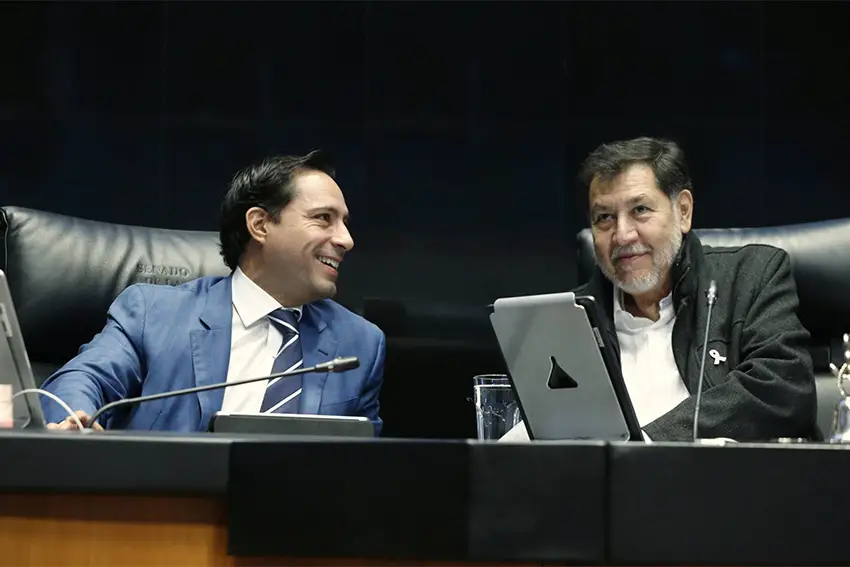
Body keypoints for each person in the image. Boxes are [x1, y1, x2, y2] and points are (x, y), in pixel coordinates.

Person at [40, 150, 386, 435]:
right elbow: (84, 378)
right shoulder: (153, 312)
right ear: (260, 225)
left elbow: (361, 468)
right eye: (323, 218)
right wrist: (76, 421)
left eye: (344, 222)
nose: (345, 239)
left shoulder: (359, 344)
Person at [573, 136, 817, 441]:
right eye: (604, 217)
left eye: (640, 210)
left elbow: (783, 388)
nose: (622, 235)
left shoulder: (752, 276)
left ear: (683, 211)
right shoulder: (573, 318)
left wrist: (648, 444)